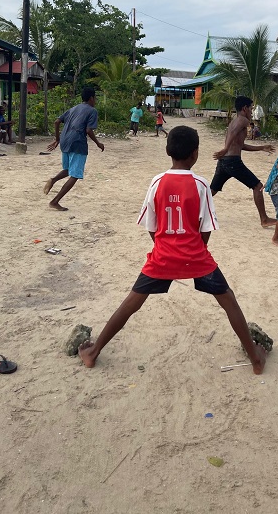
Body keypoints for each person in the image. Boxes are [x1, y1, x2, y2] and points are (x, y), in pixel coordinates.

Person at [78, 125, 267, 375]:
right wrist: (195, 253)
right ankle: (255, 359)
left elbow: (151, 225)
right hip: (197, 257)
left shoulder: (157, 182)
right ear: (195, 153)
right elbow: (206, 228)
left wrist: (164, 248)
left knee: (132, 302)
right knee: (228, 300)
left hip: (163, 257)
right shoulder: (201, 184)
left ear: (168, 151)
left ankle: (93, 352)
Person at [210, 96, 276, 228]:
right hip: (232, 162)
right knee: (257, 186)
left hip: (224, 161)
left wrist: (261, 148)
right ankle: (264, 219)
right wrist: (225, 148)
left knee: (212, 190)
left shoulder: (235, 121)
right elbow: (233, 134)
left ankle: (188, 210)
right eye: (251, 108)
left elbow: (240, 145)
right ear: (245, 108)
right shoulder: (243, 120)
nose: (251, 111)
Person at [43, 87, 104, 211]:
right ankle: (55, 201)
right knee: (75, 175)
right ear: (91, 98)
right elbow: (88, 130)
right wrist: (98, 143)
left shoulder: (73, 108)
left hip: (65, 140)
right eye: (95, 98)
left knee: (68, 169)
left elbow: (57, 122)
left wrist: (57, 139)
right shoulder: (92, 111)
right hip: (77, 142)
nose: (95, 101)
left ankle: (53, 180)